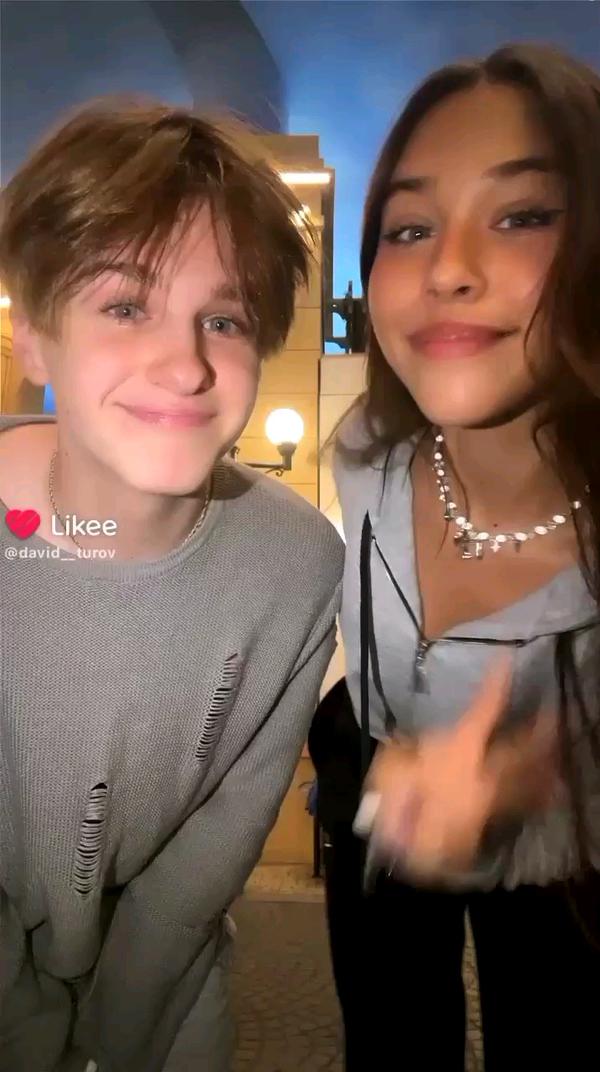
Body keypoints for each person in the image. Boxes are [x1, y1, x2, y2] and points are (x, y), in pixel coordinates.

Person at [0, 98, 344, 1072]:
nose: (185, 364)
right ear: (35, 337)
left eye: (223, 319)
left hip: (170, 1000)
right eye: (125, 306)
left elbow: (217, 843)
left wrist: (120, 1034)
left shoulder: (297, 565)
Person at [310, 43, 600, 1072]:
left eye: (523, 215)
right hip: (373, 791)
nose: (447, 269)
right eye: (409, 228)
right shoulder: (364, 456)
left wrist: (556, 769)